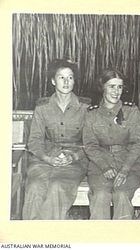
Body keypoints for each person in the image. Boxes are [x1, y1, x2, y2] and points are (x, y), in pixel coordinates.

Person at [22, 59, 90, 220]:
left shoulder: (85, 108)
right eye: (61, 77)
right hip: (44, 159)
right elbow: (34, 141)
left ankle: (46, 235)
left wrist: (73, 156)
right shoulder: (42, 107)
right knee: (34, 186)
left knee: (57, 187)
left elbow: (91, 142)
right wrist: (47, 158)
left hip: (74, 161)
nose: (66, 82)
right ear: (53, 81)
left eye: (70, 77)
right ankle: (28, 236)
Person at [83, 69, 140, 220]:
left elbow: (138, 143)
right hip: (100, 166)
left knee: (122, 195)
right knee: (100, 195)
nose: (116, 91)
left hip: (129, 166)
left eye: (119, 87)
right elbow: (90, 145)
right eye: (111, 86)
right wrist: (104, 166)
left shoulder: (131, 111)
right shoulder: (92, 114)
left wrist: (125, 170)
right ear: (102, 87)